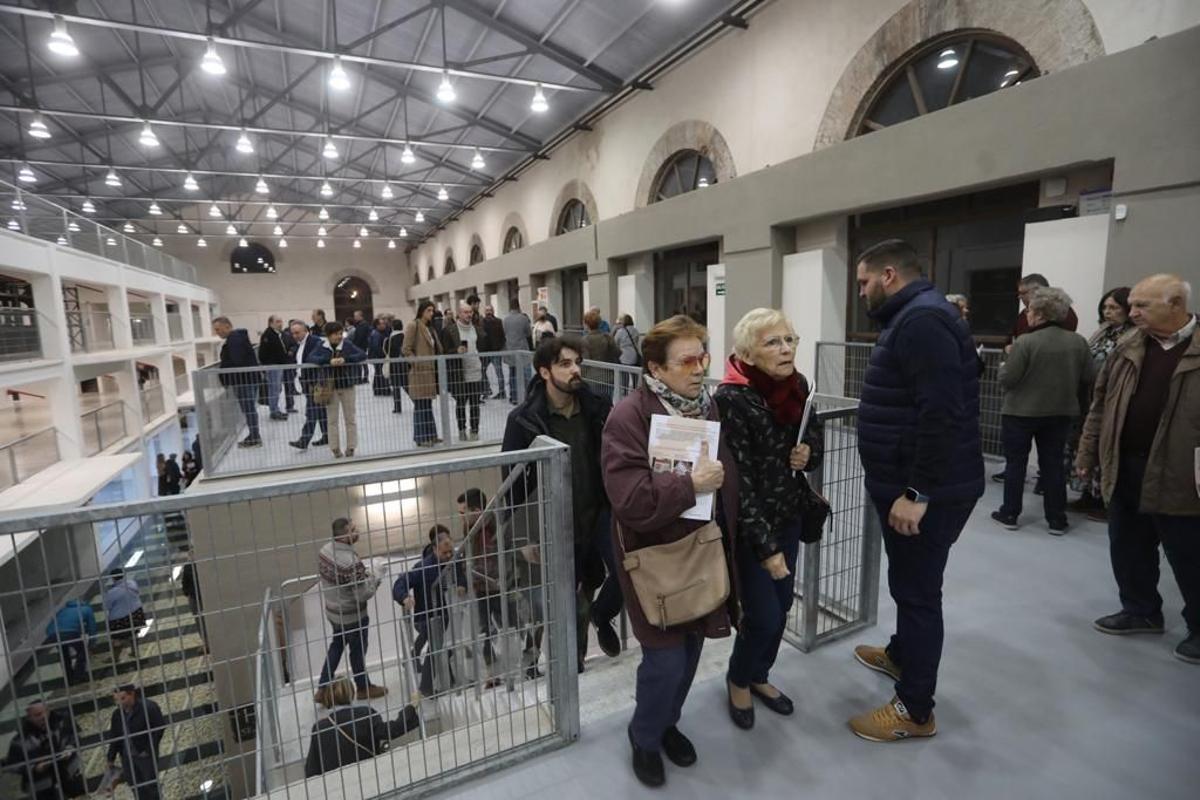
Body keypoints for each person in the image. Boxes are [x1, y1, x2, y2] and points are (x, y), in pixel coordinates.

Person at [850, 239, 984, 742]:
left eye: (863, 282)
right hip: (916, 481)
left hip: (927, 489)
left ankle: (915, 710)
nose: (861, 293)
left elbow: (941, 413)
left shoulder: (922, 321)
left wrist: (917, 491)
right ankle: (902, 656)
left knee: (919, 593)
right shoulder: (920, 316)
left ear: (889, 276)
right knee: (908, 584)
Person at [601, 315, 739, 788]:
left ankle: (667, 723)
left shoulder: (708, 408)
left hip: (699, 547)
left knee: (694, 644)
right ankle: (644, 736)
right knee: (665, 659)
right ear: (655, 369)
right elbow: (632, 502)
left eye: (703, 356)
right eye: (687, 360)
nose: (700, 368)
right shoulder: (628, 417)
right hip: (651, 557)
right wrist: (691, 485)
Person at [1076, 274, 1199, 665]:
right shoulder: (1128, 347)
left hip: (1183, 471)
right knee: (1127, 543)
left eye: (1142, 305)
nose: (1133, 313)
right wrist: (1087, 452)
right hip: (1126, 463)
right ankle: (1140, 610)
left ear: (1176, 304)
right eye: (1132, 306)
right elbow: (1100, 404)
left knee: (1189, 552)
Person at [715, 308, 825, 730]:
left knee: (780, 606)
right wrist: (767, 549)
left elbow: (813, 431)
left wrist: (808, 451)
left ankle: (759, 673)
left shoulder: (799, 386)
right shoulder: (731, 399)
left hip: (789, 514)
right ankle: (739, 677)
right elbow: (736, 485)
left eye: (790, 340)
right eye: (773, 342)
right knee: (763, 613)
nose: (786, 349)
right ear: (747, 352)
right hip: (752, 526)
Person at [503, 335, 621, 669]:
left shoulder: (597, 407)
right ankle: (573, 665)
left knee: (627, 570)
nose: (575, 370)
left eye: (577, 363)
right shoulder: (524, 419)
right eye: (565, 364)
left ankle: (604, 613)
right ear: (544, 372)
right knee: (566, 600)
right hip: (554, 522)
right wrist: (523, 536)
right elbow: (512, 483)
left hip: (599, 511)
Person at [992, 287, 1092, 535]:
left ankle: (1010, 513)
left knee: (1016, 464)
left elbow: (1008, 379)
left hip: (1020, 412)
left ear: (1038, 313)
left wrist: (1004, 364)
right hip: (1061, 413)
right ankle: (1057, 519)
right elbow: (1090, 376)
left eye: (1029, 310)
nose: (1027, 315)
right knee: (1053, 465)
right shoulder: (1078, 342)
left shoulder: (1025, 342)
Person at [1068, 287, 1134, 519]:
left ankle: (1104, 501)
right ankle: (1087, 494)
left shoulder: (1133, 336)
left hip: (1113, 401)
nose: (1108, 312)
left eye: (1114, 307)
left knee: (1106, 449)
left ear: (1128, 308)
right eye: (1105, 307)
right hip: (1089, 399)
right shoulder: (1101, 333)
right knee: (1086, 447)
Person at [314, 518, 387, 707]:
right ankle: (363, 688)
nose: (357, 532)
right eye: (353, 530)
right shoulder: (351, 562)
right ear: (345, 535)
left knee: (337, 645)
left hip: (333, 612)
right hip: (352, 616)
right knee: (357, 651)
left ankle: (322, 687)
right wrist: (376, 575)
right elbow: (363, 594)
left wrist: (365, 575)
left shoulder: (324, 551)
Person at [393, 529, 464, 696]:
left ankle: (449, 679)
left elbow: (459, 573)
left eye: (450, 551)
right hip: (425, 617)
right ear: (434, 550)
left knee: (441, 647)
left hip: (442, 616)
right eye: (444, 552)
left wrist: (462, 584)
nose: (448, 555)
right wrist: (404, 598)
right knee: (436, 650)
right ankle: (426, 687)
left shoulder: (452, 561)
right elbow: (400, 583)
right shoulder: (423, 568)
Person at [302, 704, 421, 778]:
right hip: (368, 779)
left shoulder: (319, 728)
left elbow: (312, 771)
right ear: (351, 693)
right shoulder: (364, 714)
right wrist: (410, 710)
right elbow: (391, 731)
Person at [3, 701, 84, 800]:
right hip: (42, 787)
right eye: (38, 715)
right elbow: (14, 765)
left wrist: (70, 748)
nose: (43, 717)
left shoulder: (62, 720)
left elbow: (75, 736)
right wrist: (34, 768)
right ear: (29, 717)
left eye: (45, 712)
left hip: (69, 775)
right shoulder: (20, 739)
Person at [308, 322, 366, 459]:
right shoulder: (321, 346)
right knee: (332, 420)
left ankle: (351, 447)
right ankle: (335, 448)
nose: (339, 336)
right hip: (330, 388)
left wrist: (346, 359)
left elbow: (362, 354)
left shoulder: (347, 345)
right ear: (328, 335)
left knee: (350, 418)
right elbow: (311, 358)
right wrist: (328, 361)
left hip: (347, 386)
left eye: (340, 333)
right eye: (336, 334)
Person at [105, 684, 165, 800]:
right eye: (116, 700)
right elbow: (115, 737)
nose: (119, 703)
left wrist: (149, 749)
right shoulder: (117, 714)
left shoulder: (148, 708)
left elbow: (159, 728)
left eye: (123, 698)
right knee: (135, 784)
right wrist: (110, 758)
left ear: (132, 694)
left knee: (150, 784)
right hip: (127, 756)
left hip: (144, 754)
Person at [441, 301, 487, 442]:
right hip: (459, 374)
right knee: (460, 403)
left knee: (475, 404)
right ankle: (461, 429)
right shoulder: (450, 330)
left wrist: (482, 364)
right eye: (466, 312)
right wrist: (456, 351)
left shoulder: (477, 329)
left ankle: (474, 430)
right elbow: (444, 352)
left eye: (470, 312)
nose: (469, 315)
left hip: (476, 372)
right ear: (459, 314)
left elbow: (483, 348)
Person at [213, 316, 263, 448]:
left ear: (227, 326)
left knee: (248, 410)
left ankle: (255, 437)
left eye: (218, 329)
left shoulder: (234, 340)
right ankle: (254, 435)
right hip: (245, 380)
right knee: (249, 409)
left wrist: (225, 370)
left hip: (243, 381)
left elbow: (237, 361)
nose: (217, 332)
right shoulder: (236, 338)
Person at [402, 301, 443, 447]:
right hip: (419, 373)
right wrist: (417, 363)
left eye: (433, 310)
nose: (431, 313)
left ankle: (431, 435)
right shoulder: (414, 326)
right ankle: (420, 437)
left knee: (427, 404)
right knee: (420, 405)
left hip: (430, 372)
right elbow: (406, 349)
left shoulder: (430, 328)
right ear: (421, 311)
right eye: (429, 310)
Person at [288, 321, 329, 451]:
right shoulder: (299, 345)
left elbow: (321, 358)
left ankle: (304, 440)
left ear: (305, 330)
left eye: (297, 332)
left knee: (311, 411)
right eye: (293, 333)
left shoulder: (315, 341)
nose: (294, 335)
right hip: (305, 381)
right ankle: (327, 436)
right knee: (320, 411)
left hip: (316, 382)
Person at [45, 598, 95, 686]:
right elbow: (92, 628)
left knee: (64, 655)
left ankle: (69, 678)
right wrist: (91, 645)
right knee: (82, 652)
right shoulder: (87, 609)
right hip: (69, 632)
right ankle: (78, 676)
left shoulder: (63, 610)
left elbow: (55, 624)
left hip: (52, 634)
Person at [104, 569, 145, 663]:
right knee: (134, 633)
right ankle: (135, 652)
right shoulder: (132, 583)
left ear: (113, 578)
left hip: (119, 618)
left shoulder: (112, 592)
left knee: (117, 638)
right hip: (136, 612)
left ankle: (115, 658)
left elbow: (107, 606)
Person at [259, 315, 293, 420]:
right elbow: (264, 353)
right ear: (271, 323)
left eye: (281, 321)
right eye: (278, 321)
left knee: (276, 388)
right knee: (274, 388)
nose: (280, 323)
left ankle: (275, 409)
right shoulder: (268, 335)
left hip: (278, 365)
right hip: (273, 366)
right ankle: (274, 411)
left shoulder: (277, 334)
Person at [582, 307, 621, 400]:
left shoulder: (585, 340)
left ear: (586, 324)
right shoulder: (607, 337)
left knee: (594, 403)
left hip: (592, 378)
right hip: (609, 376)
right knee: (607, 402)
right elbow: (618, 353)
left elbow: (585, 361)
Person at [503, 298, 533, 405]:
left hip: (510, 350)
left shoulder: (505, 319)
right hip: (522, 349)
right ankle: (528, 395)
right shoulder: (523, 318)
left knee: (512, 374)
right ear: (518, 306)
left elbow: (504, 333)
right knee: (526, 374)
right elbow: (528, 333)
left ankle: (514, 396)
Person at [179, 546, 208, 652]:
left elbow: (184, 585)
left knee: (200, 621)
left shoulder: (188, 567)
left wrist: (187, 593)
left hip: (195, 597)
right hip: (206, 595)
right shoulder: (205, 565)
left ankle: (207, 643)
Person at [481, 305, 507, 400]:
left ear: (493, 311)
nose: (488, 312)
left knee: (499, 372)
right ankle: (486, 390)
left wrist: (500, 347)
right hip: (485, 352)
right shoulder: (482, 322)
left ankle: (501, 391)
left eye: (490, 310)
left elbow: (502, 335)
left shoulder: (498, 321)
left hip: (495, 351)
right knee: (482, 371)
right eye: (487, 310)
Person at [384, 319, 407, 414]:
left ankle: (397, 407)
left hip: (394, 365)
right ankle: (416, 402)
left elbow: (386, 350)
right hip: (404, 364)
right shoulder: (405, 336)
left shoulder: (390, 339)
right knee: (406, 385)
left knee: (396, 387)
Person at [368, 317, 391, 396]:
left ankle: (379, 390)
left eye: (384, 323)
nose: (383, 325)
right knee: (381, 373)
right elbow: (376, 346)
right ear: (377, 325)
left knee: (379, 373)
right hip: (378, 357)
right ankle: (383, 390)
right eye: (381, 324)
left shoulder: (379, 333)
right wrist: (383, 355)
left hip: (378, 357)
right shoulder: (376, 334)